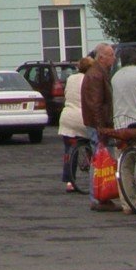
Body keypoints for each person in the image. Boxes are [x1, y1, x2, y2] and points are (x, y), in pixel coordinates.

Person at [82, 43, 117, 213]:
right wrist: (101, 127)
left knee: (102, 159)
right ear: (101, 57)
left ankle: (101, 196)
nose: (114, 58)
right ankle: (97, 197)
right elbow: (95, 104)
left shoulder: (98, 73)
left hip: (98, 123)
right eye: (111, 54)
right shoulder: (96, 75)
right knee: (100, 160)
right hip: (98, 125)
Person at [58, 57, 88, 194]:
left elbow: (66, 95)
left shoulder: (71, 79)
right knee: (95, 143)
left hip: (67, 117)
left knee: (69, 150)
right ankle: (95, 173)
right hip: (82, 118)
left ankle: (69, 181)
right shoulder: (90, 79)